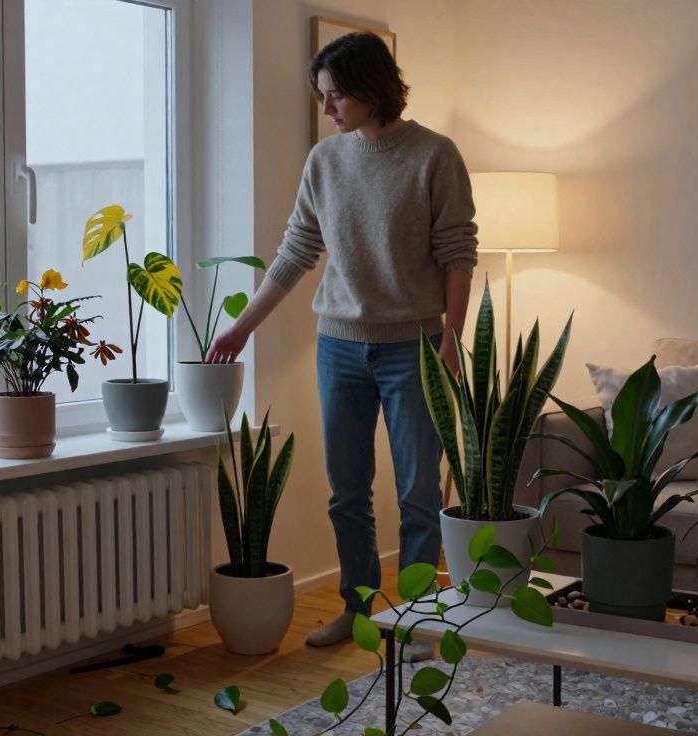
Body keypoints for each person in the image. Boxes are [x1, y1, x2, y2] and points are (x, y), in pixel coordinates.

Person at [205, 32, 477, 662]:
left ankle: (416, 619)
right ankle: (359, 613)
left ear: (370, 88)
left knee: (418, 494)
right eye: (322, 97)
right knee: (346, 492)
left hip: (415, 348)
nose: (326, 109)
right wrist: (243, 326)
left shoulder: (435, 155)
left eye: (334, 97)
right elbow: (297, 250)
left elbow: (458, 253)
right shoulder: (325, 162)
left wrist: (453, 339)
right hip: (340, 348)